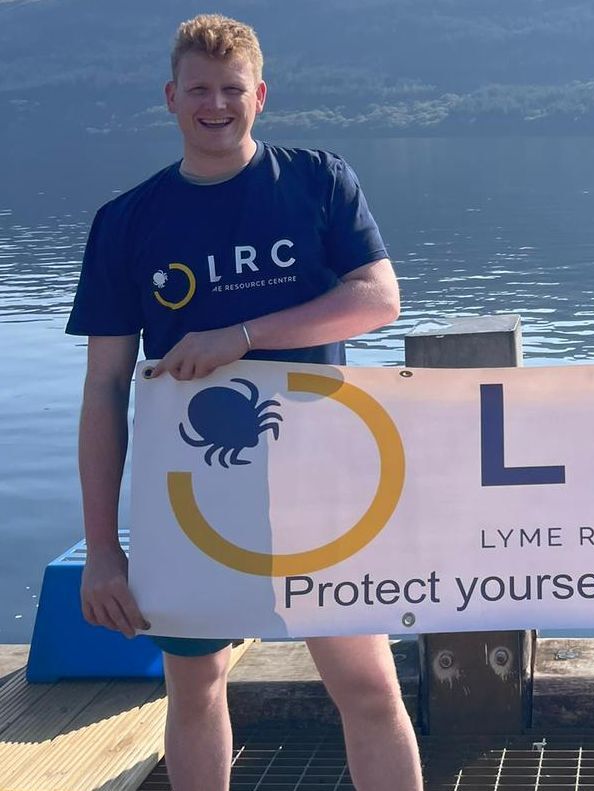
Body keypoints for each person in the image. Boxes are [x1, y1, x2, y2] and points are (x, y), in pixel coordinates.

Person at [65, 14, 422, 791]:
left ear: (259, 95)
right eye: (199, 89)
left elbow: (377, 299)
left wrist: (244, 333)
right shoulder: (125, 221)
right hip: (190, 502)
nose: (216, 104)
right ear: (170, 98)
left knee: (368, 689)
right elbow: (103, 389)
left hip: (325, 492)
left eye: (232, 89)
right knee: (194, 690)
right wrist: (101, 548)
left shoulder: (317, 180)